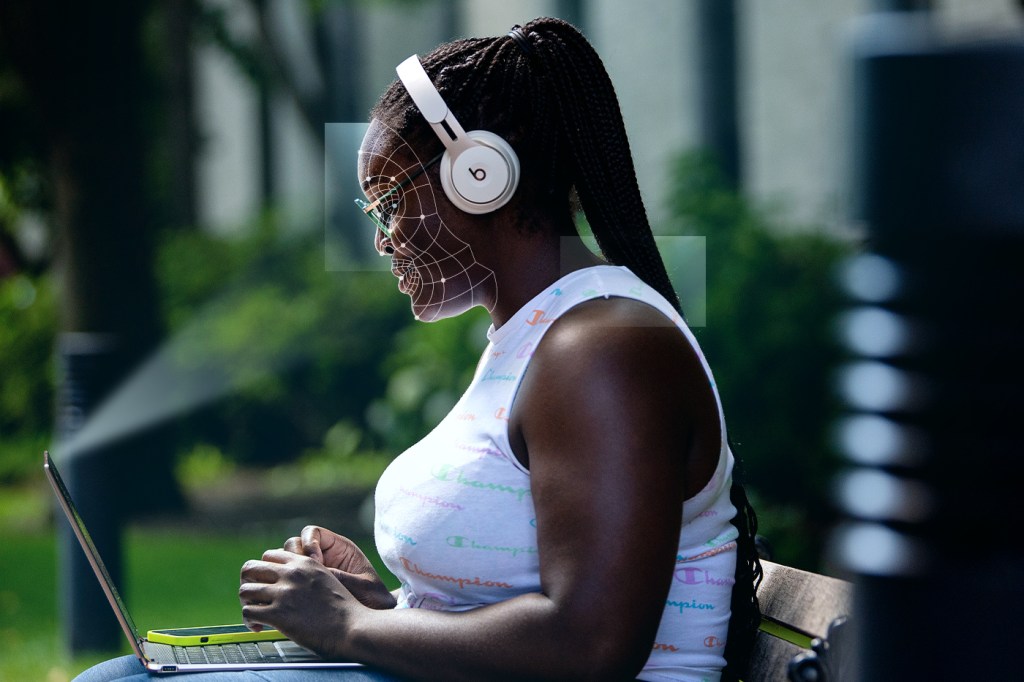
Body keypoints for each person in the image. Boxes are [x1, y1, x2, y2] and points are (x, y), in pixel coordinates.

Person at [75, 17, 761, 682]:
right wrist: (375, 605)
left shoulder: (602, 350)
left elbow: (590, 642)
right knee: (123, 677)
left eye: (387, 202)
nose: (381, 240)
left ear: (479, 173)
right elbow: (515, 612)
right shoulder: (537, 338)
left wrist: (347, 627)